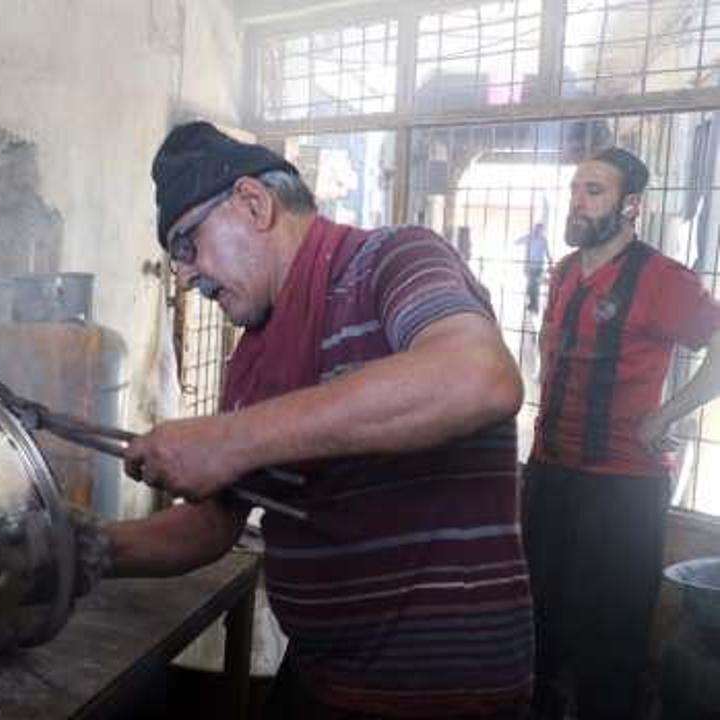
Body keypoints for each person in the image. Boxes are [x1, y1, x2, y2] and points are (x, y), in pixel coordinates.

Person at [93, 122, 534, 718]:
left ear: (254, 203)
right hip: (320, 674)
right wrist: (86, 550)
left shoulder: (393, 260)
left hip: (437, 694)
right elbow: (212, 523)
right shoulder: (253, 354)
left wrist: (230, 439)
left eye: (186, 246)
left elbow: (479, 377)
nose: (185, 276)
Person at [524, 147, 720, 719]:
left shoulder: (662, 279)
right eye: (575, 189)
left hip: (624, 487)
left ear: (631, 205)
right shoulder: (563, 272)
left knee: (612, 638)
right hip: (551, 472)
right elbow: (550, 350)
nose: (577, 202)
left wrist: (669, 414)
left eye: (594, 191)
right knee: (541, 622)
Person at [516, 223, 551, 313]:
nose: (538, 231)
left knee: (534, 285)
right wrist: (528, 236)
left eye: (540, 229)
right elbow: (517, 242)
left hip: (538, 266)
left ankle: (534, 304)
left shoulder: (543, 240)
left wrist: (550, 262)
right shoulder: (530, 238)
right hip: (529, 266)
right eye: (536, 229)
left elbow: (547, 252)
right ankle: (532, 304)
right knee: (531, 285)